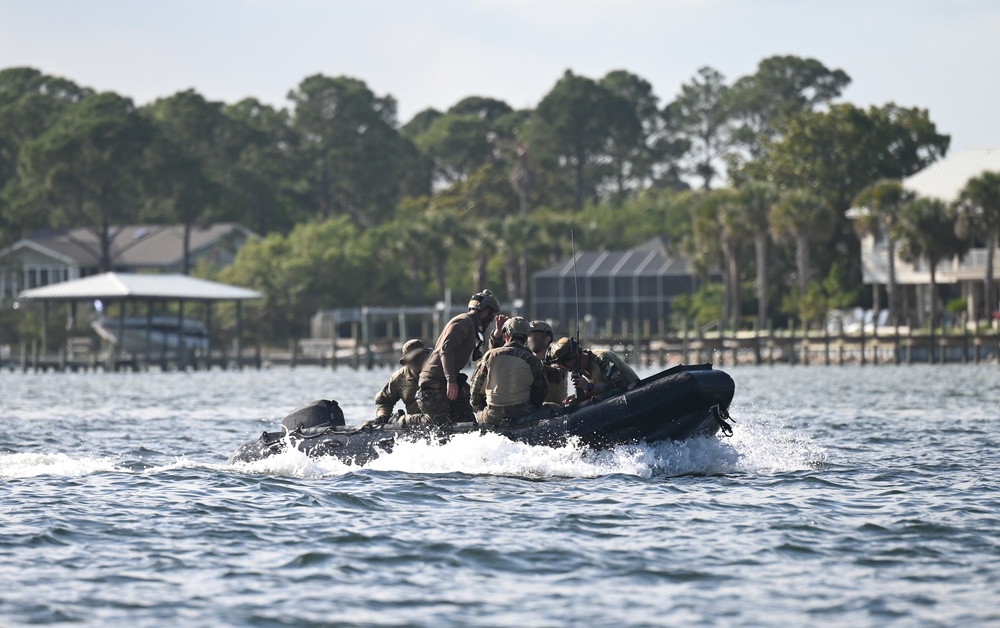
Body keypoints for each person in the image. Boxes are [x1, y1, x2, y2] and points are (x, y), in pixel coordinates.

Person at [414, 289, 502, 425]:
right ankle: (406, 421)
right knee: (441, 427)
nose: (492, 319)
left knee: (467, 422)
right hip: (434, 384)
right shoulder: (464, 321)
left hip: (445, 382)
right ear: (484, 310)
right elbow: (446, 350)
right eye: (492, 313)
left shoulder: (470, 325)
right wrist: (451, 381)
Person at [470, 317, 548, 426]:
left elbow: (474, 395)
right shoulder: (534, 361)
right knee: (553, 407)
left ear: (506, 336)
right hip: (522, 414)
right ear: (526, 338)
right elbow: (541, 393)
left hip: (492, 416)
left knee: (476, 412)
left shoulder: (489, 356)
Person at [546, 337, 640, 402]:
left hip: (633, 395)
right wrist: (583, 394)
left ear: (574, 357)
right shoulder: (580, 368)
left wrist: (590, 387)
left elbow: (620, 385)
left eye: (564, 364)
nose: (567, 369)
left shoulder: (601, 359)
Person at [371, 339, 431, 423]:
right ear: (406, 361)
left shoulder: (440, 371)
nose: (418, 360)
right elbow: (384, 400)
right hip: (414, 424)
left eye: (420, 355)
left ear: (427, 354)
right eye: (413, 357)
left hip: (441, 421)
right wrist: (383, 416)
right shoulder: (399, 377)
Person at [528, 320, 568, 405]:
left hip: (556, 411)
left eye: (535, 336)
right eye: (530, 335)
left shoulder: (557, 358)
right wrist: (497, 337)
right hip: (532, 412)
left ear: (547, 339)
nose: (531, 339)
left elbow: (557, 376)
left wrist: (533, 364)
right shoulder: (526, 358)